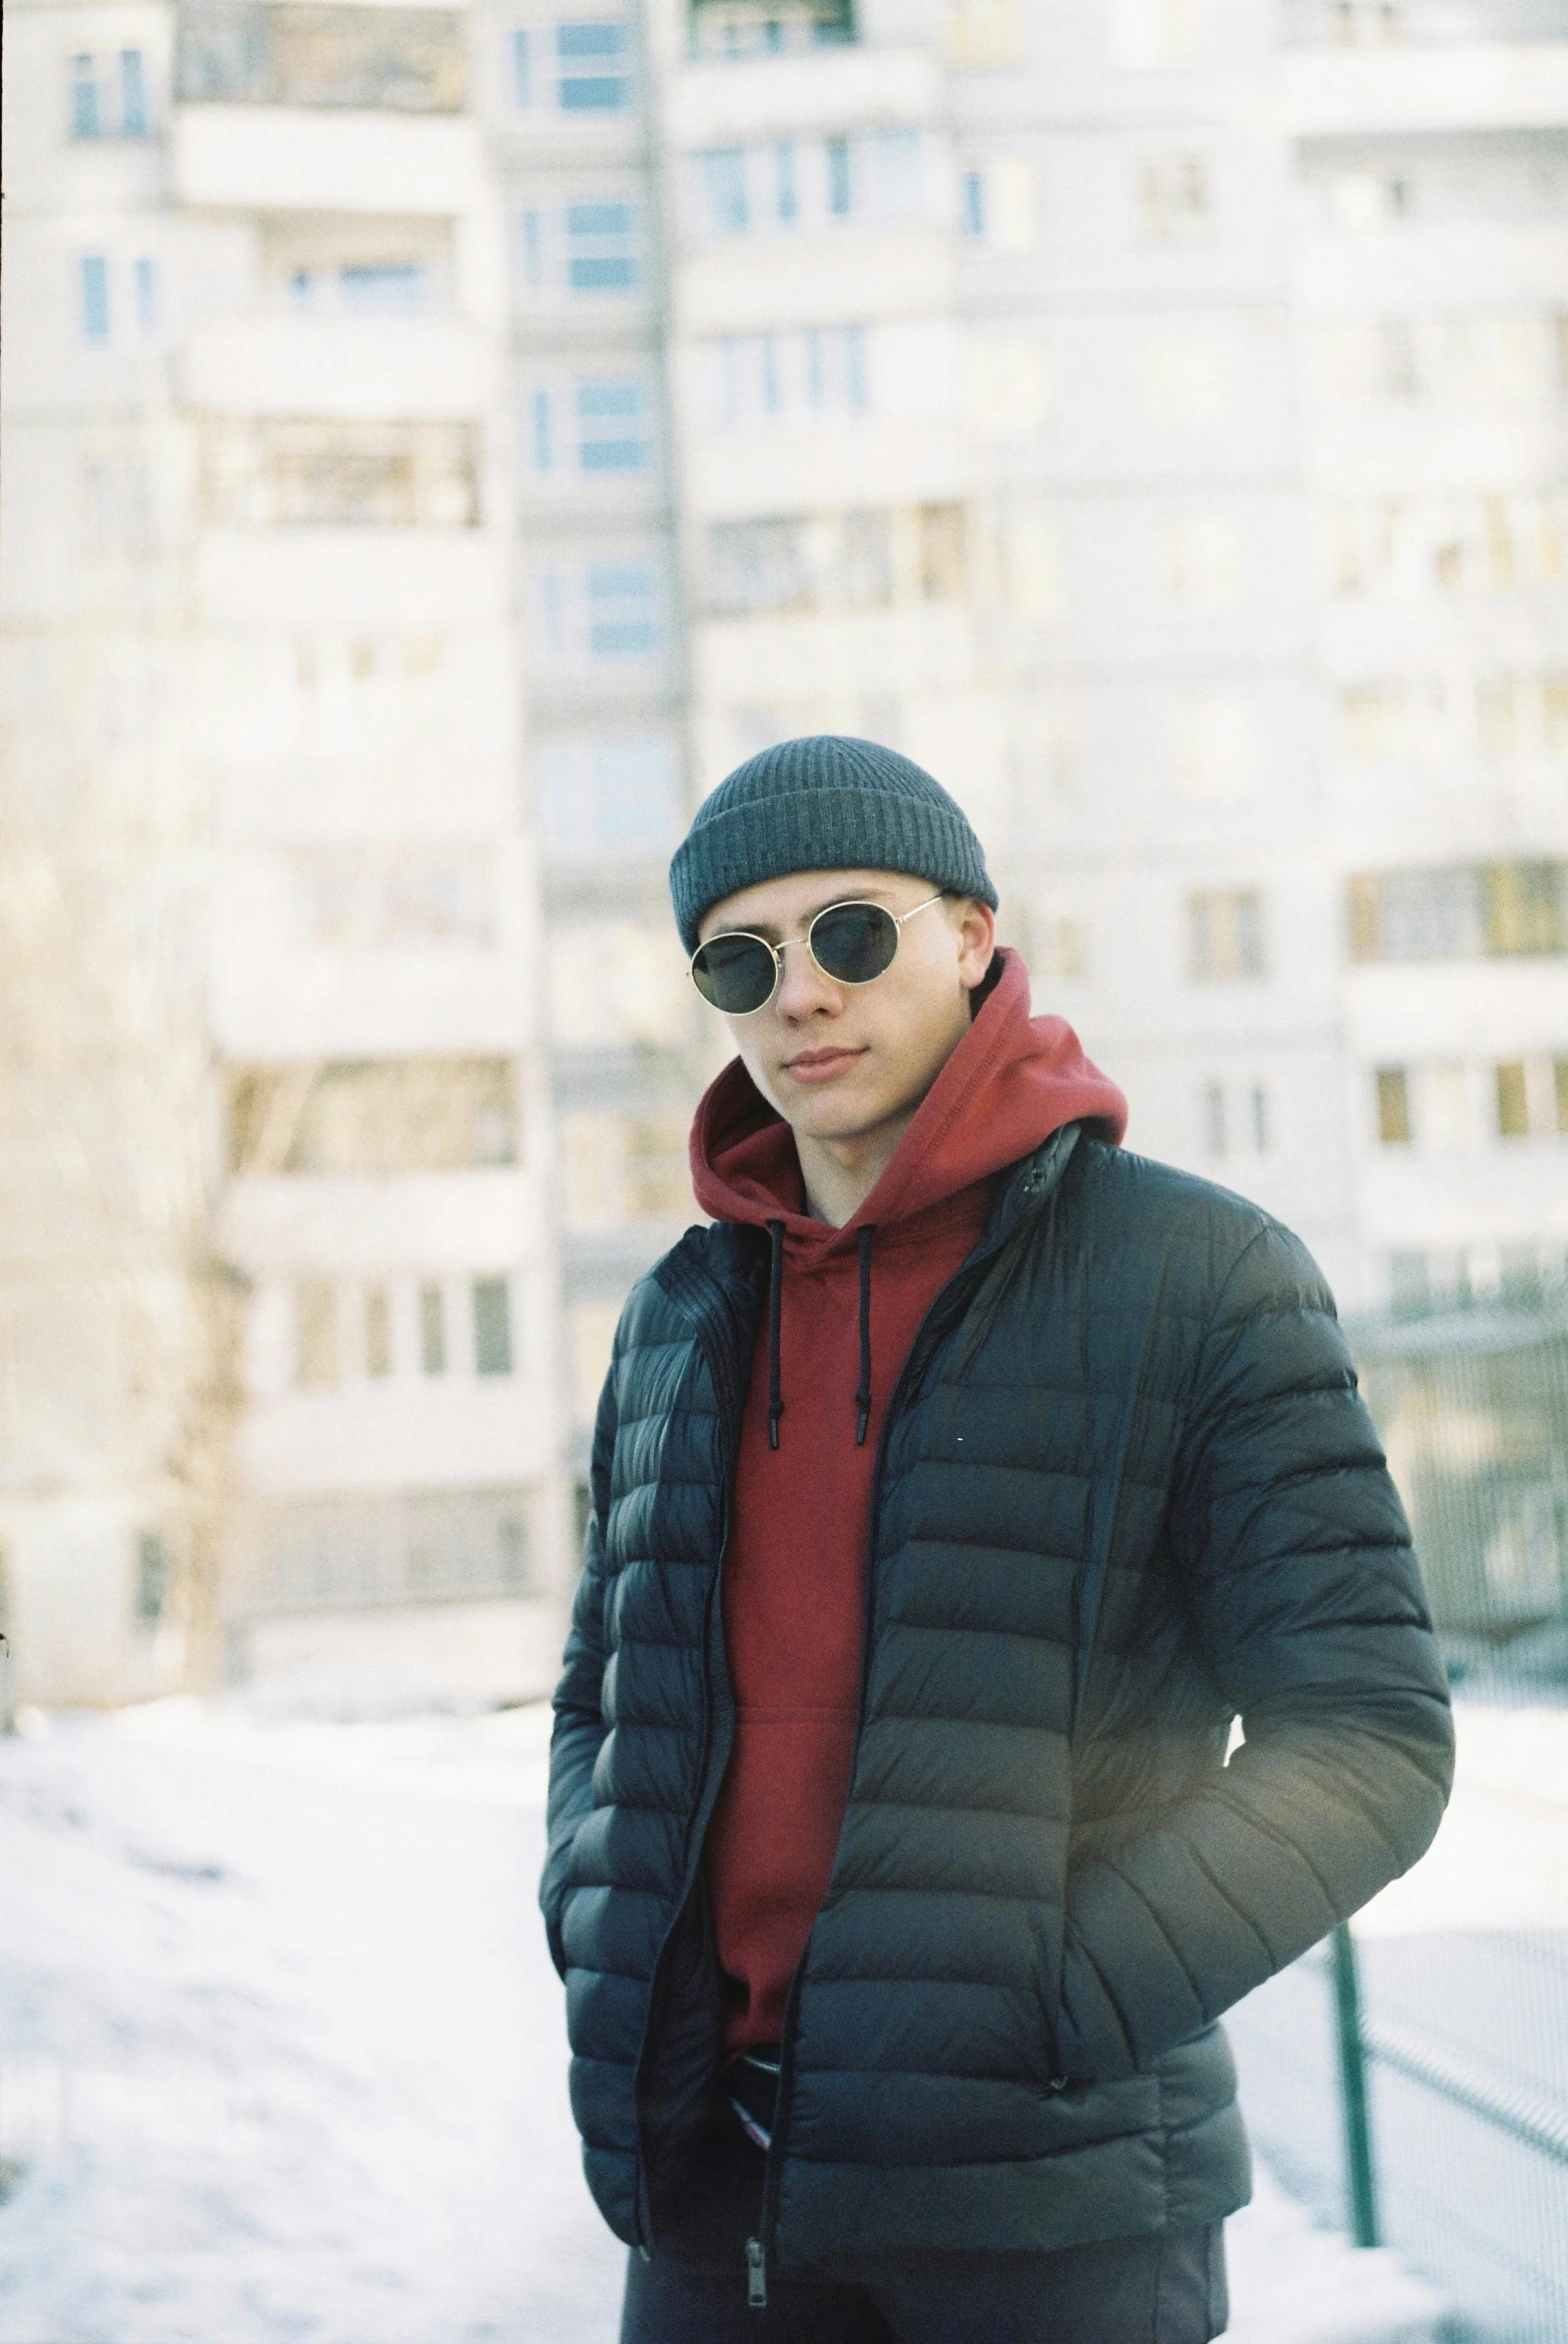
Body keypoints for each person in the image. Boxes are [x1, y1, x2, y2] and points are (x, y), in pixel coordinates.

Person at [541, 736, 1453, 2344]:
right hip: (714, 2194)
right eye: (739, 959)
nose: (799, 994)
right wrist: (596, 1912)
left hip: (1054, 2204)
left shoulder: (1197, 1275)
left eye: (848, 932)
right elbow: (596, 1705)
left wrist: (1063, 1999)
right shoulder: (675, 1321)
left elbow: (1368, 1736)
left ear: (969, 935)